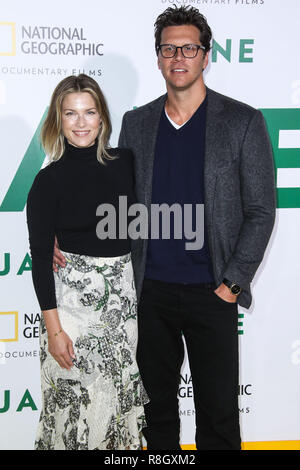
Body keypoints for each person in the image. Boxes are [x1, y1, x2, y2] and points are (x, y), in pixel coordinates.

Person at [54, 6, 276, 450]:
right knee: (155, 417)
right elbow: (113, 198)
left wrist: (232, 283)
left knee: (217, 417)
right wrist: (60, 230)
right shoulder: (137, 124)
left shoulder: (242, 122)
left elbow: (261, 210)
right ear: (157, 57)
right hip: (149, 293)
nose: (179, 56)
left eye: (189, 47)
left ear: (206, 55)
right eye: (169, 48)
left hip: (213, 291)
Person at [26, 74, 148, 450]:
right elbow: (41, 260)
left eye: (89, 112)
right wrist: (55, 331)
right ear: (58, 121)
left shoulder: (126, 163)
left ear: (102, 118)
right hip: (71, 313)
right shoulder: (47, 181)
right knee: (73, 413)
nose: (81, 123)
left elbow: (145, 219)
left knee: (115, 408)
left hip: (121, 308)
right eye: (71, 114)